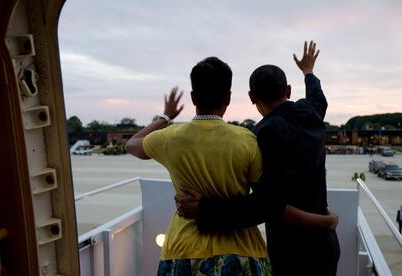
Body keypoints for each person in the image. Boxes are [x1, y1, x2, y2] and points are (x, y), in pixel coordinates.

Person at [126, 56, 337, 275]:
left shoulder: (169, 138)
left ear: (192, 97)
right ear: (228, 97)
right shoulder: (248, 139)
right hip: (245, 254)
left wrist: (165, 117)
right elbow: (268, 203)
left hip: (183, 252)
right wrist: (309, 72)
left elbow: (132, 145)